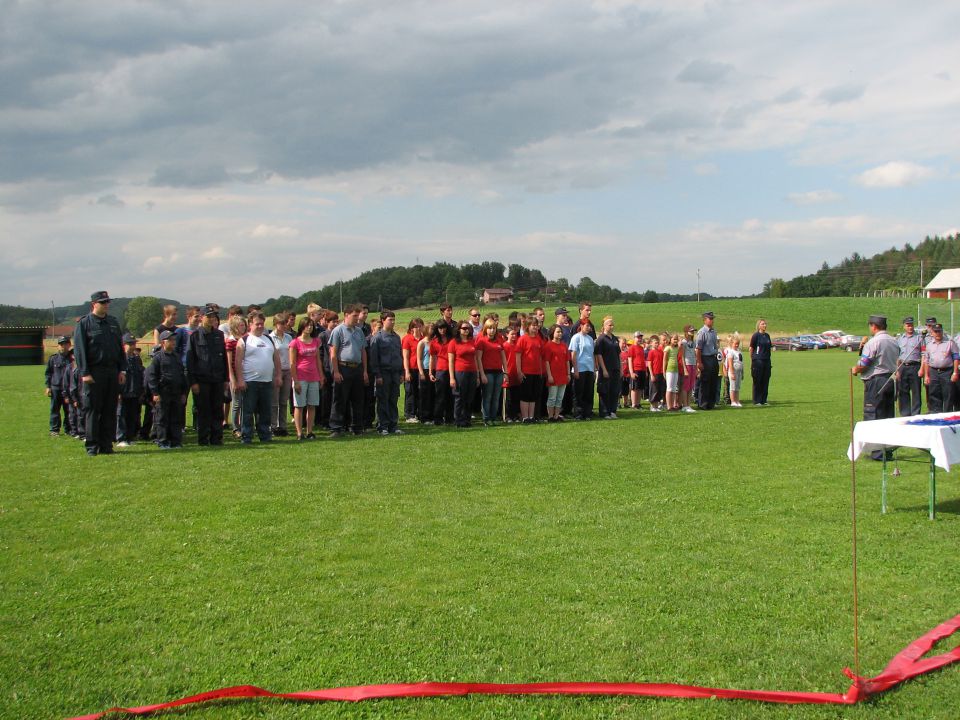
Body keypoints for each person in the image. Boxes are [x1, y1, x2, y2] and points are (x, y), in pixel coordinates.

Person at [73, 290, 127, 456]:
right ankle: (92, 446)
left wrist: (122, 369)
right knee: (93, 410)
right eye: (102, 302)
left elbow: (119, 348)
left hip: (112, 370)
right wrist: (85, 372)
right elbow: (80, 350)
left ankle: (106, 445)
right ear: (93, 304)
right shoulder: (84, 324)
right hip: (94, 372)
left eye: (107, 302)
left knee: (110, 410)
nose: (106, 305)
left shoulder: (112, 322)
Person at [852, 315, 899, 460]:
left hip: (875, 381)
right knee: (888, 416)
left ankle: (877, 452)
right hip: (890, 380)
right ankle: (887, 450)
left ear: (873, 326)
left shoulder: (873, 343)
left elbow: (865, 363)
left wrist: (856, 369)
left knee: (874, 415)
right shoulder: (894, 341)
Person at [235, 312, 281, 444]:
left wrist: (278, 375)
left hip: (266, 382)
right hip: (250, 382)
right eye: (257, 324)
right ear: (250, 324)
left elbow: (276, 358)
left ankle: (265, 436)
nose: (260, 326)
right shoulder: (244, 340)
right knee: (248, 412)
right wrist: (240, 380)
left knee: (265, 412)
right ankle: (247, 437)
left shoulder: (269, 339)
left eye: (262, 323)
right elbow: (237, 362)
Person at [186, 304, 228, 446]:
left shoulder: (219, 334)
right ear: (202, 318)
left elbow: (223, 359)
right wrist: (193, 382)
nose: (211, 319)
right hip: (202, 380)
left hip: (217, 379)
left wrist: (226, 379)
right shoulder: (195, 336)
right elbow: (190, 361)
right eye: (208, 316)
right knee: (203, 411)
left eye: (213, 316)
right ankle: (203, 439)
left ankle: (217, 438)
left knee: (217, 410)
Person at [328, 303, 369, 438]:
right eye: (354, 316)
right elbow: (333, 353)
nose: (357, 318)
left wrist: (364, 371)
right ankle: (337, 427)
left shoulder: (359, 331)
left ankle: (357, 427)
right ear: (346, 315)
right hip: (343, 367)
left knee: (358, 399)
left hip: (357, 368)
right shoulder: (338, 331)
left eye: (358, 316)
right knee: (340, 399)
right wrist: (336, 371)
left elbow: (363, 351)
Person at [145, 329, 188, 449]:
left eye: (174, 340)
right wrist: (155, 392)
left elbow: (182, 374)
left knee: (176, 418)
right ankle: (163, 441)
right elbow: (152, 376)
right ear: (163, 342)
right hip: (163, 392)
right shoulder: (158, 358)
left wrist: (183, 392)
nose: (173, 342)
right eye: (170, 340)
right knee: (162, 418)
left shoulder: (177, 357)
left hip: (176, 392)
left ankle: (176, 441)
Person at [369, 311, 404, 435]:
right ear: (383, 320)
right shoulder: (377, 338)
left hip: (395, 373)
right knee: (383, 400)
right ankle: (382, 426)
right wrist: (377, 375)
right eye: (390, 320)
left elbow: (400, 356)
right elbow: (374, 359)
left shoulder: (396, 337)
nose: (393, 322)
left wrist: (401, 373)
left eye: (394, 319)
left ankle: (393, 425)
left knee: (393, 400)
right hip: (383, 373)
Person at [289, 317, 324, 440]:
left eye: (311, 325)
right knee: (299, 406)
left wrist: (321, 376)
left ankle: (310, 431)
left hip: (313, 376)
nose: (309, 327)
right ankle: (299, 433)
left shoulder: (316, 341)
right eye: (307, 325)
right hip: (300, 376)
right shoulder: (295, 342)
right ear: (302, 326)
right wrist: (295, 380)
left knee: (312, 405)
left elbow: (318, 360)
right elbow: (292, 363)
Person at [448, 321, 480, 427]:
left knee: (469, 397)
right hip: (460, 372)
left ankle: (467, 419)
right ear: (459, 330)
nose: (466, 330)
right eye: (464, 328)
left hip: (472, 372)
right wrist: (452, 378)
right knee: (459, 396)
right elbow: (451, 361)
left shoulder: (472, 341)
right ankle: (458, 419)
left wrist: (478, 375)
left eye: (468, 328)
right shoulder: (453, 342)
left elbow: (475, 359)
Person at [921, 323, 958, 414]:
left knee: (948, 394)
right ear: (932, 333)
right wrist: (926, 375)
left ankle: (947, 415)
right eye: (935, 331)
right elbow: (926, 360)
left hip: (946, 372)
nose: (938, 333)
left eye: (939, 331)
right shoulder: (929, 344)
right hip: (933, 371)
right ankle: (935, 414)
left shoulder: (949, 342)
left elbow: (956, 358)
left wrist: (955, 372)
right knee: (934, 394)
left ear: (942, 331)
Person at [476, 318, 507, 425]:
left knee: (496, 396)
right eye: (489, 328)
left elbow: (503, 358)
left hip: (498, 372)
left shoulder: (499, 341)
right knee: (487, 396)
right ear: (485, 329)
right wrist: (482, 374)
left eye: (494, 328)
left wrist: (505, 372)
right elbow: (478, 359)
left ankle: (493, 418)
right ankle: (486, 418)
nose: (492, 330)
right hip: (487, 372)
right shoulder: (481, 341)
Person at [116, 334, 145, 446]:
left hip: (134, 392)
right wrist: (118, 392)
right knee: (121, 415)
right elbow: (116, 377)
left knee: (133, 416)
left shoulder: (137, 359)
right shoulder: (119, 359)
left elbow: (140, 375)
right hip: (123, 392)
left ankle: (130, 437)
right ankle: (121, 438)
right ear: (123, 345)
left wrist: (141, 391)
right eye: (130, 344)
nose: (133, 346)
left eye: (134, 344)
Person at [515, 317, 545, 423]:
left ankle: (531, 416)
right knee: (525, 395)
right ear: (528, 327)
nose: (535, 327)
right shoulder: (523, 339)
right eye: (533, 325)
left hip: (536, 371)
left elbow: (540, 356)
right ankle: (525, 417)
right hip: (526, 371)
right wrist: (519, 371)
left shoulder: (538, 339)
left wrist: (541, 370)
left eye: (536, 325)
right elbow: (518, 356)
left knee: (533, 395)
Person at [45, 335, 74, 437]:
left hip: (69, 388)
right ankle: (54, 430)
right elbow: (48, 373)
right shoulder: (53, 359)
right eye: (61, 344)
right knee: (55, 410)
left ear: (69, 345)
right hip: (56, 388)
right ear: (58, 346)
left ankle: (69, 429)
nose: (63, 347)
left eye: (65, 344)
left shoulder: (72, 359)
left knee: (69, 411)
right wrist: (48, 386)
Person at [269, 314, 293, 435]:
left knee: (284, 400)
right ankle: (273, 426)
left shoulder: (289, 337)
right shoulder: (270, 337)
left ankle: (283, 426)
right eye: (281, 323)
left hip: (287, 370)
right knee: (274, 401)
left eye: (285, 323)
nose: (284, 326)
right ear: (275, 324)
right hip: (275, 371)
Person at [568, 319, 596, 420]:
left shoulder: (590, 339)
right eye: (587, 326)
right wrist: (575, 369)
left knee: (588, 391)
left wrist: (594, 369)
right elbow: (573, 355)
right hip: (580, 368)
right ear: (581, 326)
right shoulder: (576, 338)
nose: (589, 328)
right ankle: (578, 413)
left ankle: (587, 412)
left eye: (590, 327)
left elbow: (592, 355)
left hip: (589, 368)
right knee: (578, 392)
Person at [594, 316, 621, 419]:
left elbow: (618, 354)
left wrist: (620, 368)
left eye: (612, 324)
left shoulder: (614, 338)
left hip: (615, 368)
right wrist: (604, 369)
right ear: (604, 326)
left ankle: (612, 411)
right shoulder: (601, 339)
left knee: (614, 390)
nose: (612, 326)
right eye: (609, 325)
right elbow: (599, 355)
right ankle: (604, 412)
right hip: (606, 368)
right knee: (605, 390)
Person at [896, 316, 923, 416]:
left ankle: (916, 414)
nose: (910, 327)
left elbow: (924, 354)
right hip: (903, 366)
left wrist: (922, 368)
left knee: (916, 392)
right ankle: (905, 414)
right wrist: (897, 370)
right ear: (904, 326)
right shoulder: (900, 339)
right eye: (908, 325)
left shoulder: (919, 338)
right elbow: (897, 355)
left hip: (915, 366)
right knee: (903, 391)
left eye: (911, 325)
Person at [543, 324, 570, 422]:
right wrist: (549, 375)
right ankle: (550, 416)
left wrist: (568, 374)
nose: (560, 334)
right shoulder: (548, 345)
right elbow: (546, 361)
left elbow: (567, 361)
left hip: (563, 375)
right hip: (553, 375)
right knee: (552, 397)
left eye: (561, 332)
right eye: (557, 332)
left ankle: (556, 416)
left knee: (560, 398)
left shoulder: (564, 346)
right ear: (552, 333)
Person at [429, 322, 454, 425]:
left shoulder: (452, 340)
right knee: (440, 396)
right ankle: (438, 419)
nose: (442, 330)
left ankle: (450, 418)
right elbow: (432, 358)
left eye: (444, 328)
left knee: (451, 395)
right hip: (440, 370)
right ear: (437, 329)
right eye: (440, 328)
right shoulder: (434, 342)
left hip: (452, 369)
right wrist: (431, 372)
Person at [695, 311, 720, 410]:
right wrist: (699, 362)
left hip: (713, 358)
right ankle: (703, 403)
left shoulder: (714, 332)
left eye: (712, 319)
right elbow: (698, 349)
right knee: (705, 382)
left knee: (713, 381)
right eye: (710, 319)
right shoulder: (702, 332)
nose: (712, 320)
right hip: (705, 358)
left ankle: (711, 403)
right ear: (705, 320)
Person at [401, 319, 423, 422]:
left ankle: (419, 413)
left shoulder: (424, 339)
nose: (418, 328)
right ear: (411, 328)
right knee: (410, 392)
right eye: (416, 326)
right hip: (411, 368)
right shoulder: (407, 339)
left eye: (420, 326)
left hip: (422, 369)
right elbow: (405, 357)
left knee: (420, 392)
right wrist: (407, 372)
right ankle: (409, 414)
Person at [748, 319, 772, 406]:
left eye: (765, 324)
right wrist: (753, 359)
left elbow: (769, 348)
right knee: (757, 381)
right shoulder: (756, 335)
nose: (765, 325)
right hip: (758, 361)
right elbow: (751, 348)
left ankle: (763, 400)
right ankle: (757, 400)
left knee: (765, 380)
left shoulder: (767, 336)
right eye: (763, 324)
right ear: (759, 326)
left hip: (766, 361)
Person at [417, 322, 435, 425]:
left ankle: (431, 415)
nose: (432, 330)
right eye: (431, 328)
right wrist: (421, 372)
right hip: (425, 369)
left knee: (432, 394)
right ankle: (424, 417)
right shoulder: (422, 343)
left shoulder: (434, 341)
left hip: (433, 370)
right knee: (424, 394)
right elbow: (419, 359)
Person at [663, 333, 683, 411]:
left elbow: (681, 349)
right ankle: (669, 406)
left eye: (676, 339)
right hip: (669, 370)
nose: (675, 341)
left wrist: (680, 341)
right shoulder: (668, 348)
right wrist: (664, 371)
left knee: (674, 388)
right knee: (669, 388)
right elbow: (664, 360)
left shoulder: (676, 348)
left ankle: (673, 405)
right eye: (674, 339)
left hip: (676, 370)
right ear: (670, 340)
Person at [724, 333, 744, 408]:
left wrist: (742, 373)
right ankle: (733, 401)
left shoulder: (739, 352)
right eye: (735, 344)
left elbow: (741, 363)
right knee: (732, 387)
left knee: (737, 387)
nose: (737, 345)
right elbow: (730, 363)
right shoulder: (731, 352)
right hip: (733, 372)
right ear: (732, 343)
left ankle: (737, 400)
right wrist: (732, 373)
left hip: (739, 372)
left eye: (738, 344)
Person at [647, 335, 665, 412]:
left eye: (658, 343)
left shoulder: (661, 352)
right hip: (654, 373)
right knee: (653, 390)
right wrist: (651, 374)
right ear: (651, 343)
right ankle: (652, 406)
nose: (657, 344)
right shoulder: (651, 352)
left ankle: (656, 406)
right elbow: (649, 364)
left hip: (660, 373)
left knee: (658, 390)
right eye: (655, 343)